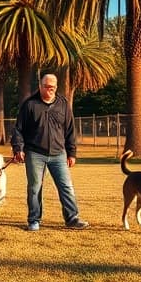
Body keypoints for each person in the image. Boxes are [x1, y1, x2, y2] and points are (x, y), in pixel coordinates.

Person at [11, 73, 89, 232]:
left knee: (66, 186)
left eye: (53, 87)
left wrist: (71, 153)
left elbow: (70, 130)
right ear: (40, 86)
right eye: (47, 86)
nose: (50, 90)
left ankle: (72, 218)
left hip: (58, 153)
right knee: (35, 187)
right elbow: (18, 130)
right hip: (34, 153)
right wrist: (18, 148)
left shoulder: (63, 104)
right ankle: (34, 220)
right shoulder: (29, 104)